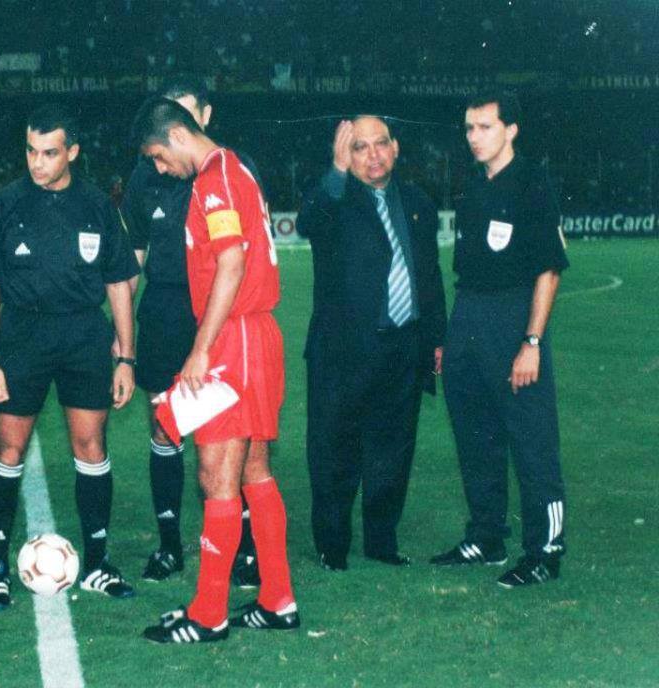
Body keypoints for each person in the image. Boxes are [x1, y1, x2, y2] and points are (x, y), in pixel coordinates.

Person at [132, 97, 297, 644]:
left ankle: (210, 613)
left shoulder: (215, 178)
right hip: (253, 335)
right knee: (253, 471)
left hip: (237, 336)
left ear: (178, 136)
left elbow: (232, 260)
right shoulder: (231, 168)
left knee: (216, 476)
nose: (159, 169)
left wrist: (202, 349)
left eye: (158, 156)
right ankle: (277, 599)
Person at [0, 103, 140, 608]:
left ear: (73, 153)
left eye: (48, 153)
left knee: (91, 447)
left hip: (85, 337)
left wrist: (126, 358)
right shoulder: (3, 205)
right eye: (30, 151)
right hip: (22, 337)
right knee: (8, 448)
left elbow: (119, 286)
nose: (37, 162)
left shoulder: (98, 206)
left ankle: (99, 563)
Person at [121, 75, 259, 586]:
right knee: (164, 424)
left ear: (201, 117)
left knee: (225, 433)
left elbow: (237, 260)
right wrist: (121, 330)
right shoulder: (147, 176)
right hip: (163, 308)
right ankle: (169, 543)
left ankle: (241, 549)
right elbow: (133, 255)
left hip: (216, 314)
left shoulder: (224, 173)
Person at [430, 91, 569, 588]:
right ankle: (486, 536)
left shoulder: (532, 181)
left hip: (513, 320)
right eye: (468, 128)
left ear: (511, 130)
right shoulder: (472, 183)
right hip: (468, 318)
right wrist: (451, 337)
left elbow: (548, 270)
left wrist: (531, 341)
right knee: (475, 436)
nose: (473, 137)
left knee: (531, 440)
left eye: (484, 127)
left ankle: (545, 551)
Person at [296, 117, 447, 570]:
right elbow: (307, 223)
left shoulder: (417, 202)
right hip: (342, 352)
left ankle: (381, 541)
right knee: (334, 451)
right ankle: (332, 546)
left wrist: (436, 336)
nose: (373, 155)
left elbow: (429, 275)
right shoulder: (336, 198)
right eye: (360, 147)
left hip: (402, 347)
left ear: (396, 148)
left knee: (393, 450)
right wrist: (337, 171)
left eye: (380, 144)